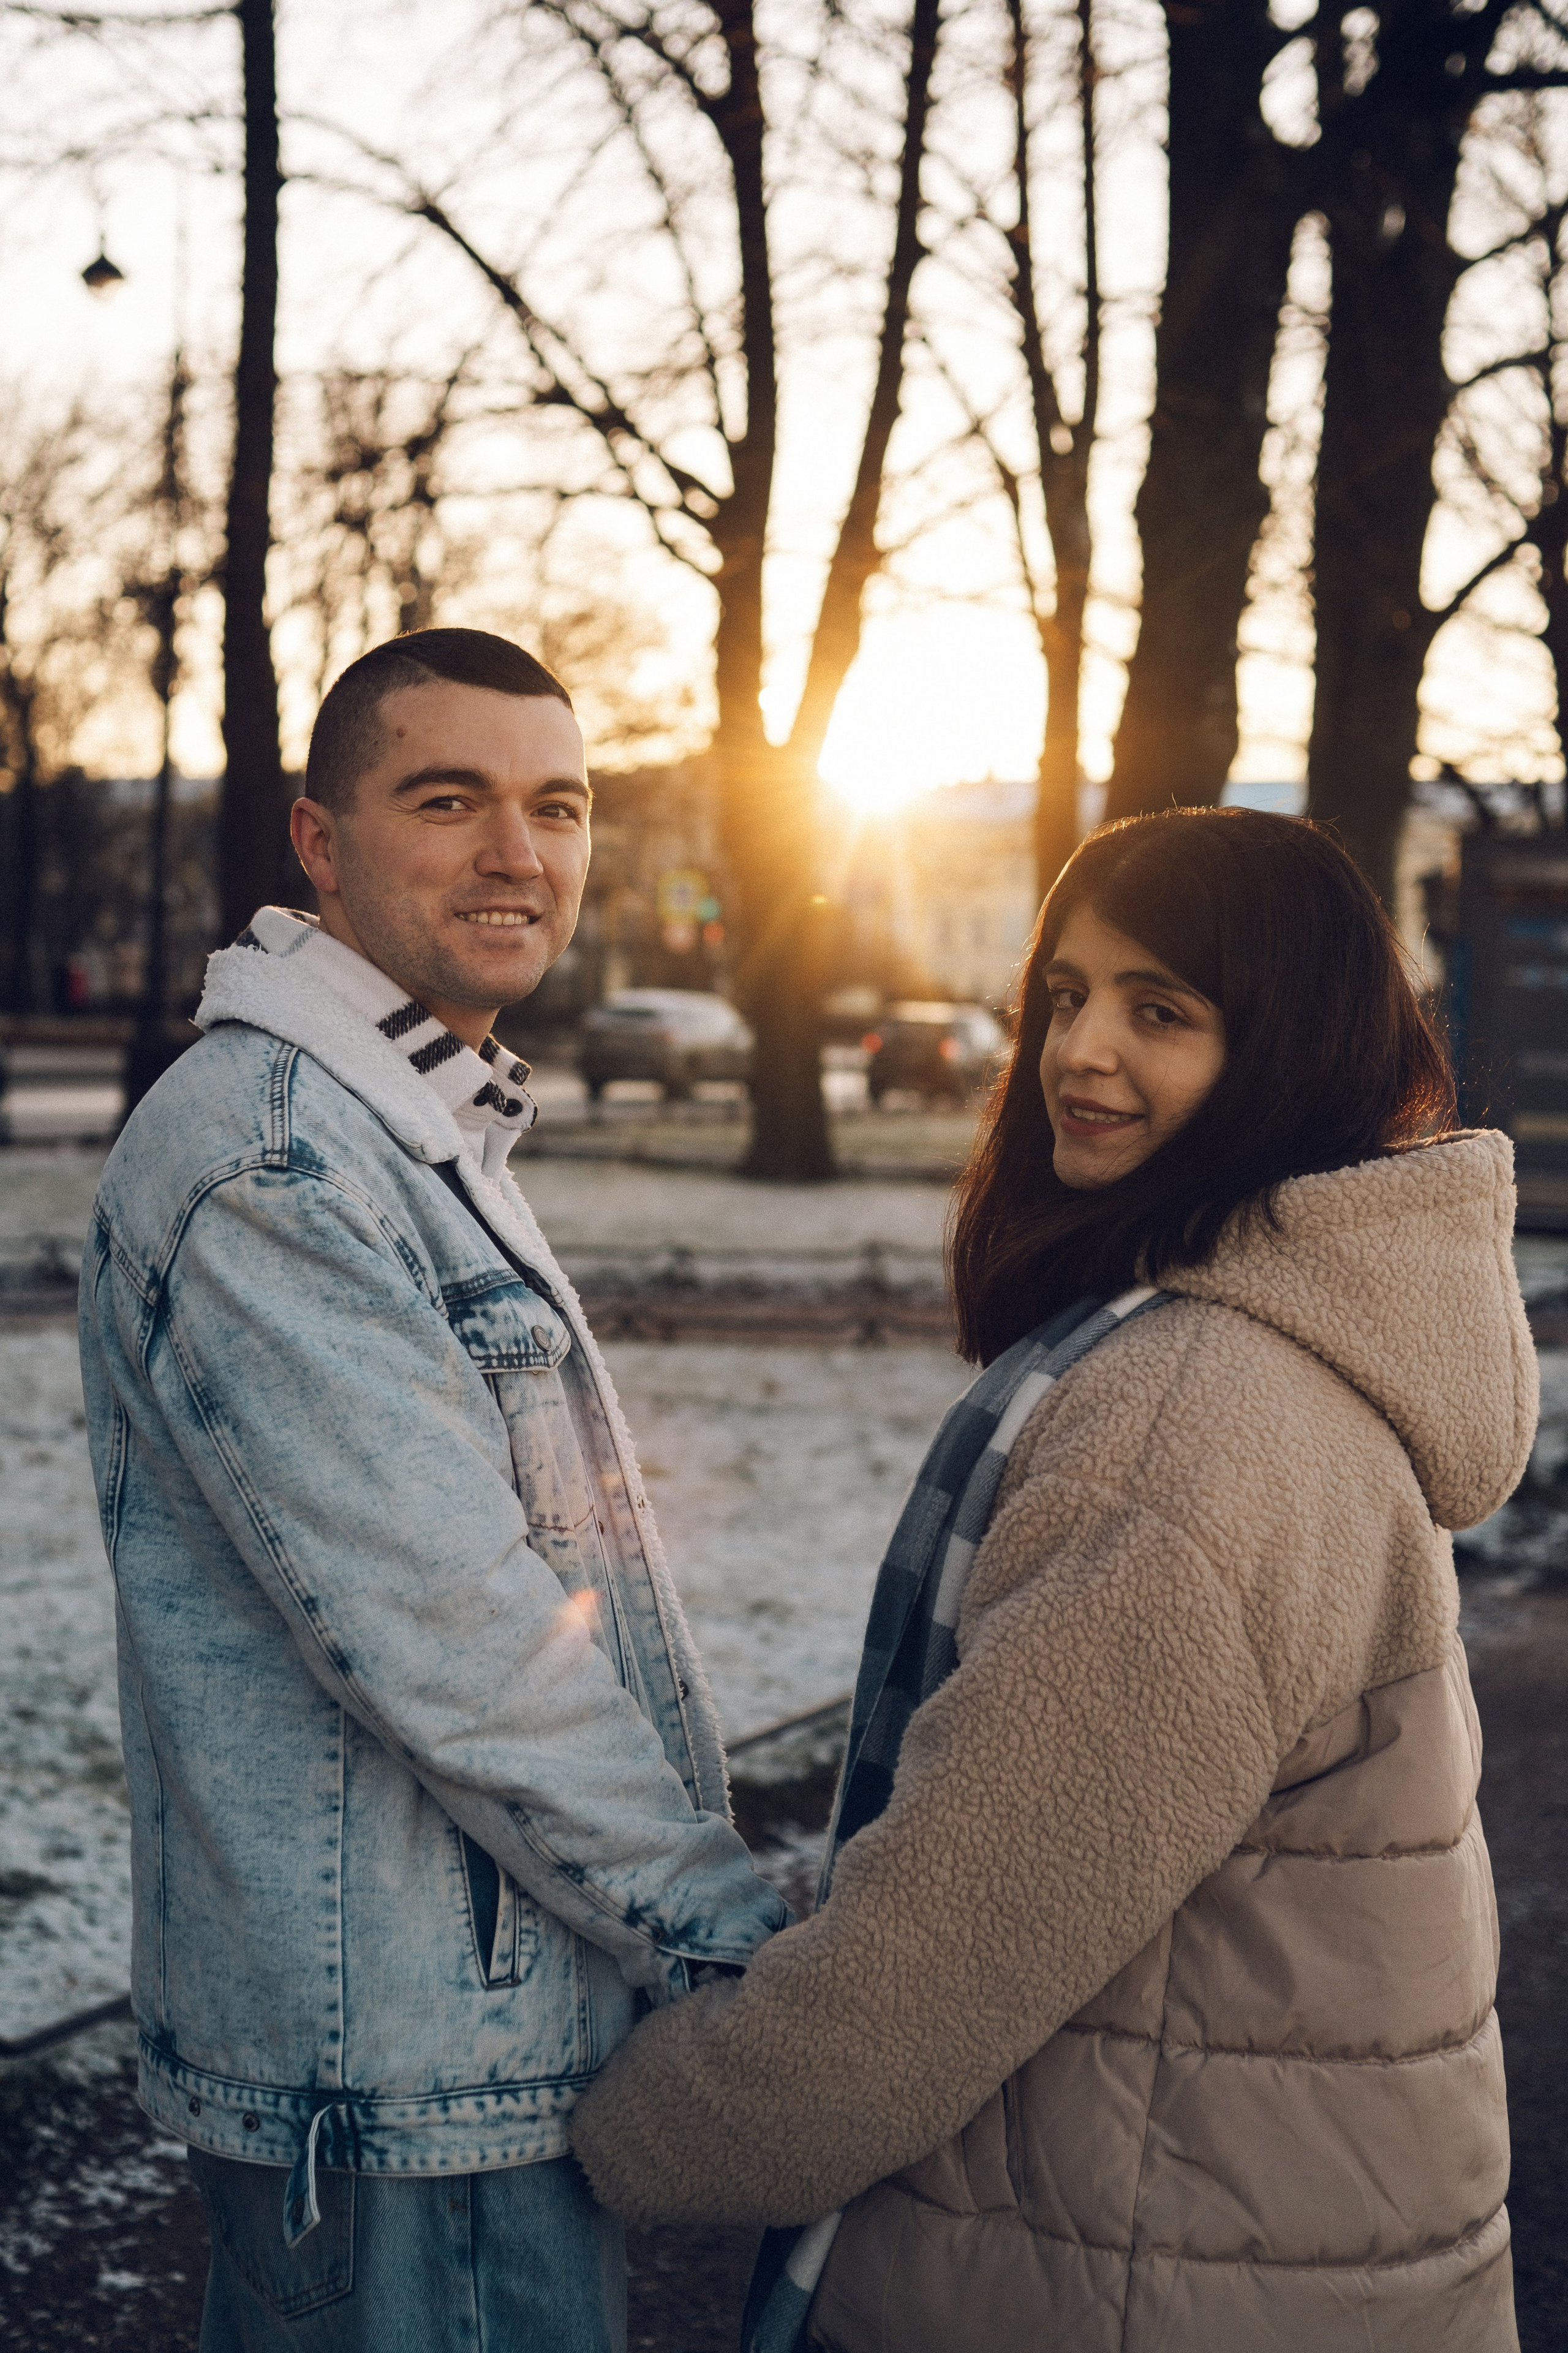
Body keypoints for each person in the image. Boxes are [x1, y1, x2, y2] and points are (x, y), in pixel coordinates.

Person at [570, 807, 1535, 2352]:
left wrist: (609, 2123)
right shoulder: (1299, 1354)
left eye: (1161, 1011)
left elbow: (922, 1974)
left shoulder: (1187, 1423)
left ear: (1284, 1048)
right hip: (1286, 2244)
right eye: (1065, 995)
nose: (1080, 1052)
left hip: (1141, 2278)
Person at [78, 628, 788, 2353]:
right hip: (404, 2091)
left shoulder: (405, 1116)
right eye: (449, 798)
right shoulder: (275, 1154)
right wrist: (736, 1941)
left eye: (559, 807)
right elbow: (462, 1639)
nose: (517, 855)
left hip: (456, 2052)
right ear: (320, 841)